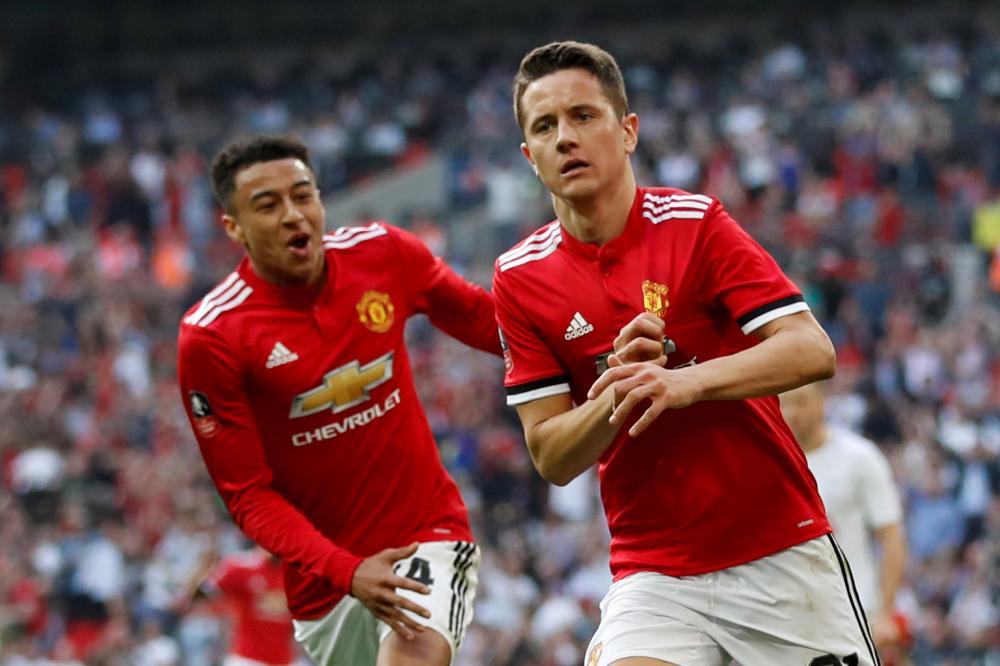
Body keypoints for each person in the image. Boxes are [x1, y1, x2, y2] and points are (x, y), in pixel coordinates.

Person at [492, 41, 879, 665]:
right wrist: (617, 392)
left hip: (778, 551)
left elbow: (812, 349)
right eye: (545, 126)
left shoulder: (695, 223)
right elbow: (551, 455)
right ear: (529, 156)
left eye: (584, 116)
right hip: (655, 574)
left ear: (628, 132)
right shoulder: (518, 277)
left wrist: (684, 383)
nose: (565, 137)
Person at [177, 135, 499, 665]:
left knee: (415, 651)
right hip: (324, 587)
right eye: (267, 205)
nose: (292, 215)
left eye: (303, 195)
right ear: (233, 228)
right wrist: (346, 570)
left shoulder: (383, 253)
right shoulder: (213, 336)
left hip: (426, 533)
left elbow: (488, 323)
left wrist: (594, 345)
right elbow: (248, 496)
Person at [780, 382, 908, 653]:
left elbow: (891, 538)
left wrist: (885, 611)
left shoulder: (859, 457)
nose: (793, 412)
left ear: (821, 403)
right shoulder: (771, 463)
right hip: (792, 615)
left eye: (801, 402)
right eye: (785, 402)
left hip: (854, 609)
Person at [183, 547, 298, 666]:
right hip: (247, 658)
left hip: (283, 660)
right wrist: (203, 568)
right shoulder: (241, 567)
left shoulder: (299, 574)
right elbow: (199, 598)